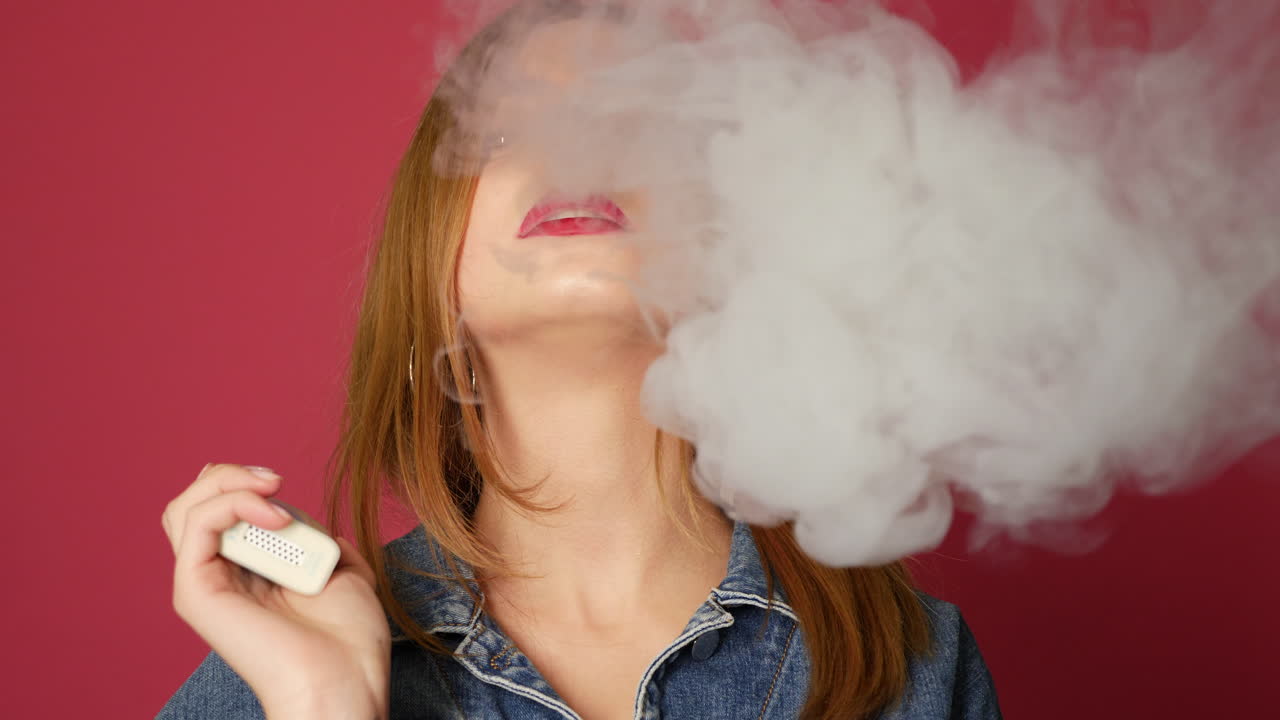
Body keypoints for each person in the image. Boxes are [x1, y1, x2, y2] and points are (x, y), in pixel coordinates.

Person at [157, 2, 1002, 718]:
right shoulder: (279, 665)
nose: (574, 155)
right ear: (432, 271)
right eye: (506, 130)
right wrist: (325, 705)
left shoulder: (916, 670)